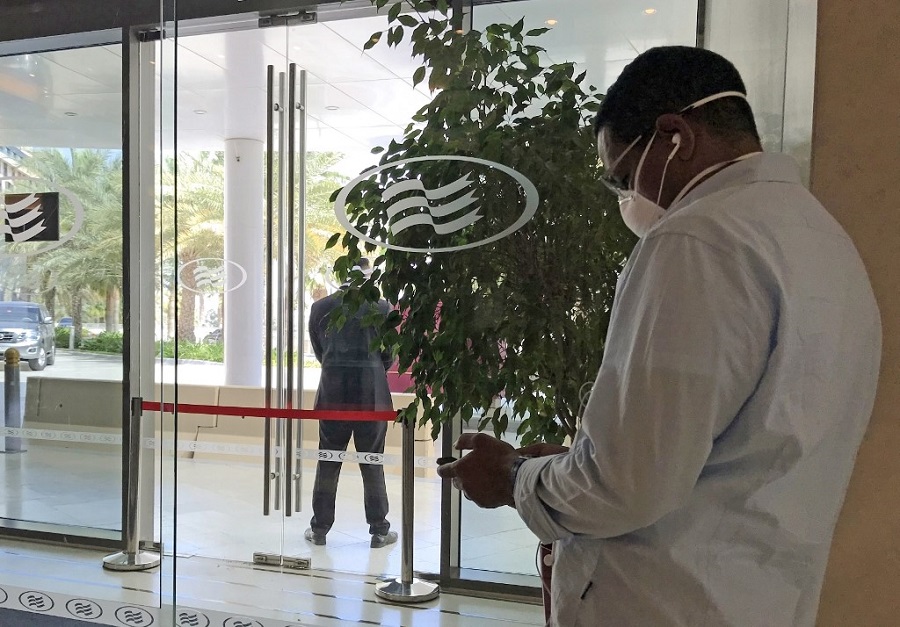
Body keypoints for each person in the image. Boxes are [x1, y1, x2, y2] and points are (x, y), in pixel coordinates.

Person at [437, 46, 882, 626]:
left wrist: (515, 477)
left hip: (660, 602)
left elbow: (625, 486)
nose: (630, 199)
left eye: (624, 176)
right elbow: (724, 446)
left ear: (675, 136)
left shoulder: (696, 240)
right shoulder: (819, 237)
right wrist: (575, 464)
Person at [305, 257, 398, 549]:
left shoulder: (320, 308)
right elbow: (389, 356)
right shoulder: (382, 308)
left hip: (333, 395)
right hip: (371, 396)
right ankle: (379, 530)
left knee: (328, 461)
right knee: (372, 463)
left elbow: (320, 352)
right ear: (369, 277)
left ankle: (319, 529)